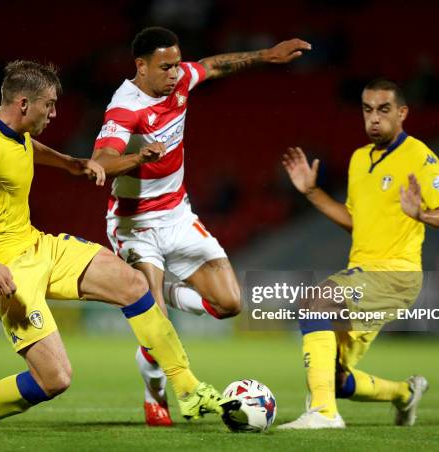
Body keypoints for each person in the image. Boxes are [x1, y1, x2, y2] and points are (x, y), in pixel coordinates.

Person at [0, 60, 238, 431]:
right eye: (50, 105)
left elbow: (25, 146)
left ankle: (189, 390)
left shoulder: (8, 125)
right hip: (7, 269)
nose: (56, 113)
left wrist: (72, 164)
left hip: (38, 245)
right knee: (54, 378)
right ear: (24, 104)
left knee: (134, 284)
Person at [92, 26, 312, 426]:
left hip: (178, 215)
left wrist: (268, 55)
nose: (176, 74)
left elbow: (213, 65)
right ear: (140, 66)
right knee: (155, 322)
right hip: (135, 224)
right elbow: (100, 163)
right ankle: (154, 396)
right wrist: (139, 158)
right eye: (165, 67)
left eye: (177, 65)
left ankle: (162, 296)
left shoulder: (180, 82)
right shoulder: (125, 107)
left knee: (230, 305)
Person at [277, 78, 439, 429]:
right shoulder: (359, 159)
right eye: (367, 110)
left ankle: (324, 414)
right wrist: (312, 192)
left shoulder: (420, 157)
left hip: (395, 273)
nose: (374, 118)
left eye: (383, 110)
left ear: (402, 113)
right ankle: (405, 394)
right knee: (332, 376)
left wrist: (422, 214)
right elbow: (356, 223)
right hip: (364, 272)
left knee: (316, 302)